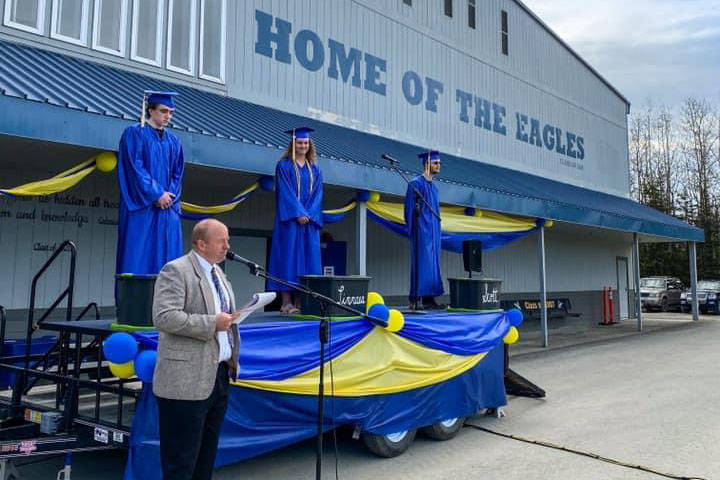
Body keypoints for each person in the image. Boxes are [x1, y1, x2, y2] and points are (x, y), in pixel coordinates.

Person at [152, 218, 241, 480]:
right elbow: (164, 316)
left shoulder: (218, 273)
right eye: (221, 241)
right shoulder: (176, 270)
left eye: (228, 240)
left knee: (205, 458)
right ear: (201, 244)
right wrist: (213, 323)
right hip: (185, 382)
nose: (227, 246)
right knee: (181, 462)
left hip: (218, 376)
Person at [116, 90, 184, 275]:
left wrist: (168, 196)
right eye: (163, 111)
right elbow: (134, 167)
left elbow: (178, 173)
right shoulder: (134, 134)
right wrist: (156, 194)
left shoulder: (174, 141)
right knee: (138, 258)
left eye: (171, 112)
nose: (168, 116)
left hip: (167, 210)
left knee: (169, 262)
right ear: (150, 110)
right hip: (143, 208)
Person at [267, 127, 324, 315]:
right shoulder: (283, 166)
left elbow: (318, 194)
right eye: (299, 142)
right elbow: (285, 192)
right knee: (288, 259)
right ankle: (286, 302)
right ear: (293, 144)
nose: (303, 146)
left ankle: (301, 301)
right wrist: (297, 212)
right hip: (290, 222)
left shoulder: (315, 168)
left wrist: (309, 214)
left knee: (308, 261)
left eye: (306, 143)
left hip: (308, 222)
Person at [404, 150, 444, 310]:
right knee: (422, 263)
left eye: (439, 163)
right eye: (435, 163)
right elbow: (409, 208)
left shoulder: (434, 188)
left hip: (434, 231)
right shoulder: (416, 183)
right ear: (427, 163)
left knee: (433, 265)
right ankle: (416, 297)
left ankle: (429, 298)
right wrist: (414, 229)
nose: (438, 165)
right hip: (422, 230)